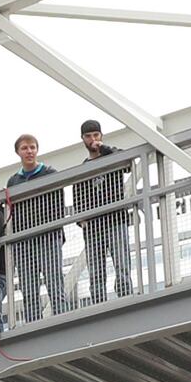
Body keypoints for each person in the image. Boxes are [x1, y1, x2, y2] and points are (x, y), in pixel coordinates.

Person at [1, 134, 68, 322]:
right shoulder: (13, 181)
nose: (29, 151)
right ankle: (33, 325)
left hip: (48, 237)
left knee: (55, 283)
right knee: (28, 289)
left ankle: (62, 320)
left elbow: (58, 205)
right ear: (18, 152)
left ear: (37, 150)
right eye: (25, 148)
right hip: (24, 243)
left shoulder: (49, 173)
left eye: (32, 147)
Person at [70, 120, 140, 300]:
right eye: (88, 136)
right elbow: (77, 198)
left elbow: (128, 162)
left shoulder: (111, 156)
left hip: (116, 220)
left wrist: (105, 149)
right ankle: (99, 304)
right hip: (93, 227)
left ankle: (125, 298)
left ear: (101, 135)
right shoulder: (83, 168)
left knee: (122, 265)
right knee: (96, 271)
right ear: (82, 139)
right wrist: (82, 221)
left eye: (96, 135)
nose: (93, 139)